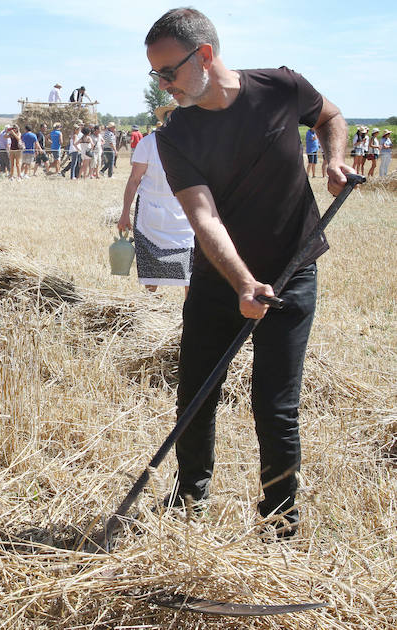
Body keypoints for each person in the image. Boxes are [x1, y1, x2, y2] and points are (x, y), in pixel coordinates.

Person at [145, 7, 352, 537]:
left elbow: (331, 117)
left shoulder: (281, 87)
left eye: (168, 72)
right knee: (196, 393)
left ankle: (280, 521)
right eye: (156, 75)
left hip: (291, 273)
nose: (163, 84)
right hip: (220, 279)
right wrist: (240, 282)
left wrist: (333, 159)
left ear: (206, 56)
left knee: (275, 405)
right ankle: (189, 500)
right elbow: (203, 216)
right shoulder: (176, 135)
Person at [117, 105, 194, 292]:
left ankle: (189, 317)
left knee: (189, 272)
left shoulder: (194, 144)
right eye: (171, 117)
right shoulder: (149, 143)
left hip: (182, 213)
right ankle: (148, 309)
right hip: (150, 210)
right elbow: (134, 179)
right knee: (151, 268)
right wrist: (125, 213)